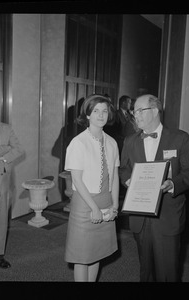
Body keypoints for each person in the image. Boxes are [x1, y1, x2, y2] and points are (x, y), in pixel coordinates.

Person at [119, 94, 189, 282]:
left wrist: (173, 184)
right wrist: (129, 181)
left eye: (140, 110)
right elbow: (123, 169)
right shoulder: (130, 141)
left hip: (168, 215)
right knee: (145, 271)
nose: (135, 115)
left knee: (167, 273)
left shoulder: (180, 138)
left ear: (155, 111)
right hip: (140, 215)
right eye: (133, 111)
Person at [64, 94, 119, 282]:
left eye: (104, 111)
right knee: (82, 256)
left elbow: (115, 176)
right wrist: (95, 208)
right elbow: (77, 180)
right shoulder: (78, 143)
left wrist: (114, 206)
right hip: (85, 203)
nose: (101, 115)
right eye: (96, 111)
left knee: (97, 253)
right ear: (87, 115)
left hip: (106, 201)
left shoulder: (112, 142)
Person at [0, 95, 24, 274]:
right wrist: (7, 148)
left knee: (1, 221)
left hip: (5, 182)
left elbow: (19, 150)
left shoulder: (6, 128)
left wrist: (3, 154)